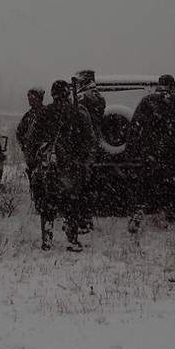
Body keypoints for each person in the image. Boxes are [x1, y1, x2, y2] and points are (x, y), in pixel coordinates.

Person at [26, 79, 96, 252]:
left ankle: (47, 238)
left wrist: (33, 163)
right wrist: (86, 162)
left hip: (50, 163)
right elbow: (90, 140)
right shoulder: (79, 112)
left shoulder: (44, 113)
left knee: (48, 200)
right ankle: (72, 239)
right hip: (73, 164)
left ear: (53, 94)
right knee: (72, 201)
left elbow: (31, 139)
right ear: (67, 93)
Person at [125, 74, 175, 232]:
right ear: (172, 86)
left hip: (150, 150)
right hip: (172, 151)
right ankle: (171, 214)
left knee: (145, 182)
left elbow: (135, 126)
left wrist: (132, 149)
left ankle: (138, 212)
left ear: (159, 85)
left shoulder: (147, 101)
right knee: (171, 183)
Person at [74, 69, 105, 231]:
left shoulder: (84, 97)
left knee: (81, 183)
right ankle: (85, 216)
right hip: (92, 144)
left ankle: (83, 218)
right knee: (87, 182)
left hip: (83, 145)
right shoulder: (96, 96)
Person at [16, 86, 45, 202]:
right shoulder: (27, 116)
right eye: (28, 97)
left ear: (39, 99)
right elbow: (19, 132)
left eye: (31, 97)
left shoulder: (46, 113)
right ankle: (37, 200)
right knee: (33, 177)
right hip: (31, 154)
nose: (29, 100)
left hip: (44, 153)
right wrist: (25, 147)